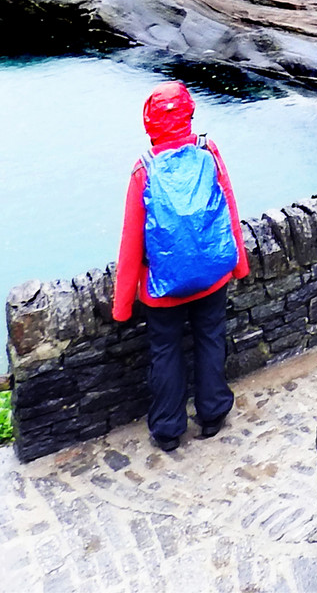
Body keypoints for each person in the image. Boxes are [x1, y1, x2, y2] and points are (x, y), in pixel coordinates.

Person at [112, 83, 250, 452]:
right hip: (212, 275)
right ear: (189, 114)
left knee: (165, 353)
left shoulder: (143, 170)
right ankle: (212, 415)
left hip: (162, 289)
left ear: (150, 123)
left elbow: (131, 242)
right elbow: (229, 210)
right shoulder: (209, 152)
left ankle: (169, 431)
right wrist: (239, 266)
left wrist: (122, 304)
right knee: (210, 340)